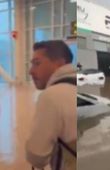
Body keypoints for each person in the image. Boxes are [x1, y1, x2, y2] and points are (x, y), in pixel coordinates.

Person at [26, 40, 76, 170]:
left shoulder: (51, 96)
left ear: (59, 62)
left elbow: (36, 157)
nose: (30, 71)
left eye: (37, 63)